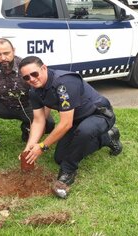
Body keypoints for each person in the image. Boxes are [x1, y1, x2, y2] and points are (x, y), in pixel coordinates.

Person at [18, 56, 123, 198]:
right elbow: (38, 120)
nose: (31, 79)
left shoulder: (64, 83)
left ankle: (67, 173)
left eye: (34, 74)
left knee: (84, 132)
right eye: (26, 77)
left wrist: (42, 146)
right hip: (76, 119)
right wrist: (29, 148)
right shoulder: (34, 91)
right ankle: (108, 137)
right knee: (60, 158)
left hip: (99, 114)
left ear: (44, 68)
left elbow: (66, 123)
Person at [0, 38, 54, 155]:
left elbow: (42, 89)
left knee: (49, 123)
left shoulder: (24, 67)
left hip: (27, 106)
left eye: (6, 53)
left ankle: (27, 128)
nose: (3, 58)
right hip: (1, 105)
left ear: (13, 50)